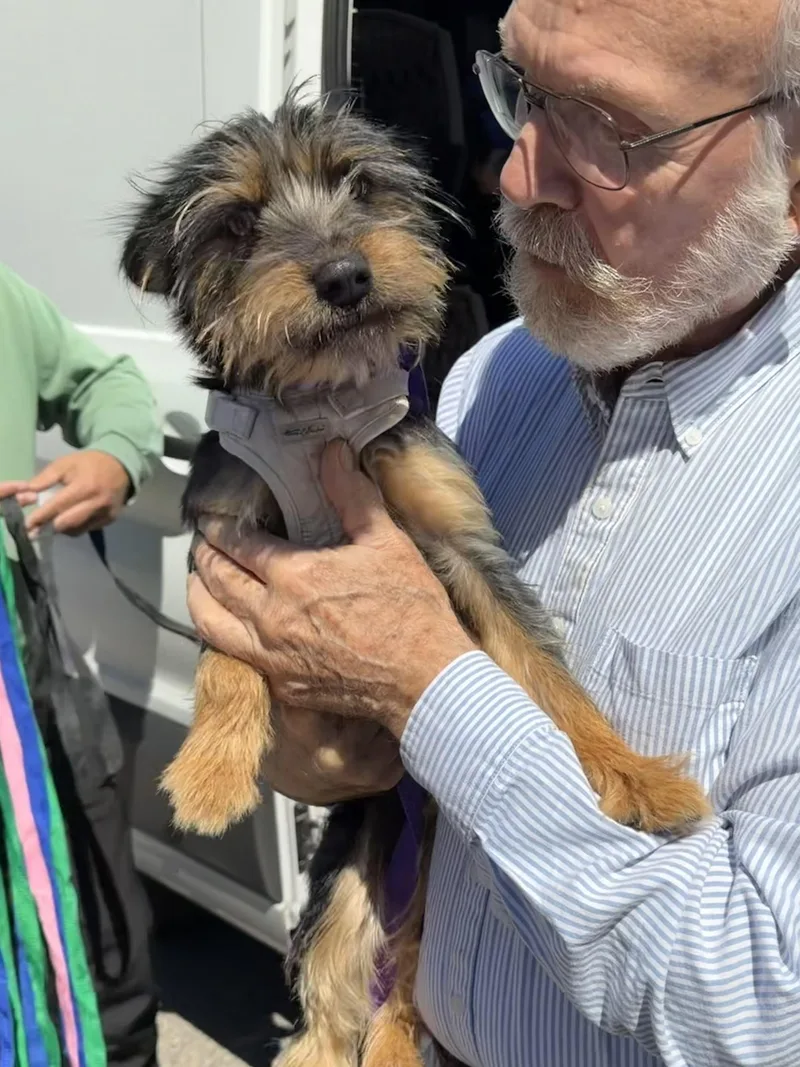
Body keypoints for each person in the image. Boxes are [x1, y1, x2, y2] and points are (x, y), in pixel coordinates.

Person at [186, 0, 800, 1063]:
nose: (513, 177)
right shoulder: (494, 372)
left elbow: (762, 1004)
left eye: (610, 127)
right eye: (521, 92)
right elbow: (375, 764)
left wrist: (426, 685)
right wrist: (312, 747)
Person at [0, 260, 162, 1066]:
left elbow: (111, 382)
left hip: (29, 669)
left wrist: (115, 458)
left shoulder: (2, 298)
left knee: (109, 943)